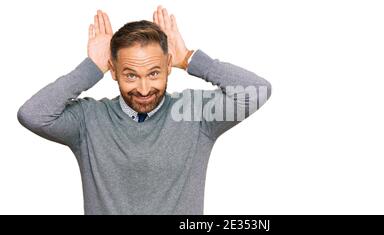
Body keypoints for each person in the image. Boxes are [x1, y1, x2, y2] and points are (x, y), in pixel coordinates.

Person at [17, 6, 272, 215]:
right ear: (113, 71)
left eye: (154, 73)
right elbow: (33, 114)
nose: (143, 88)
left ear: (168, 66)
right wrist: (91, 67)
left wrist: (189, 59)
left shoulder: (195, 113)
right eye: (130, 75)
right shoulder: (87, 120)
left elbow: (257, 90)